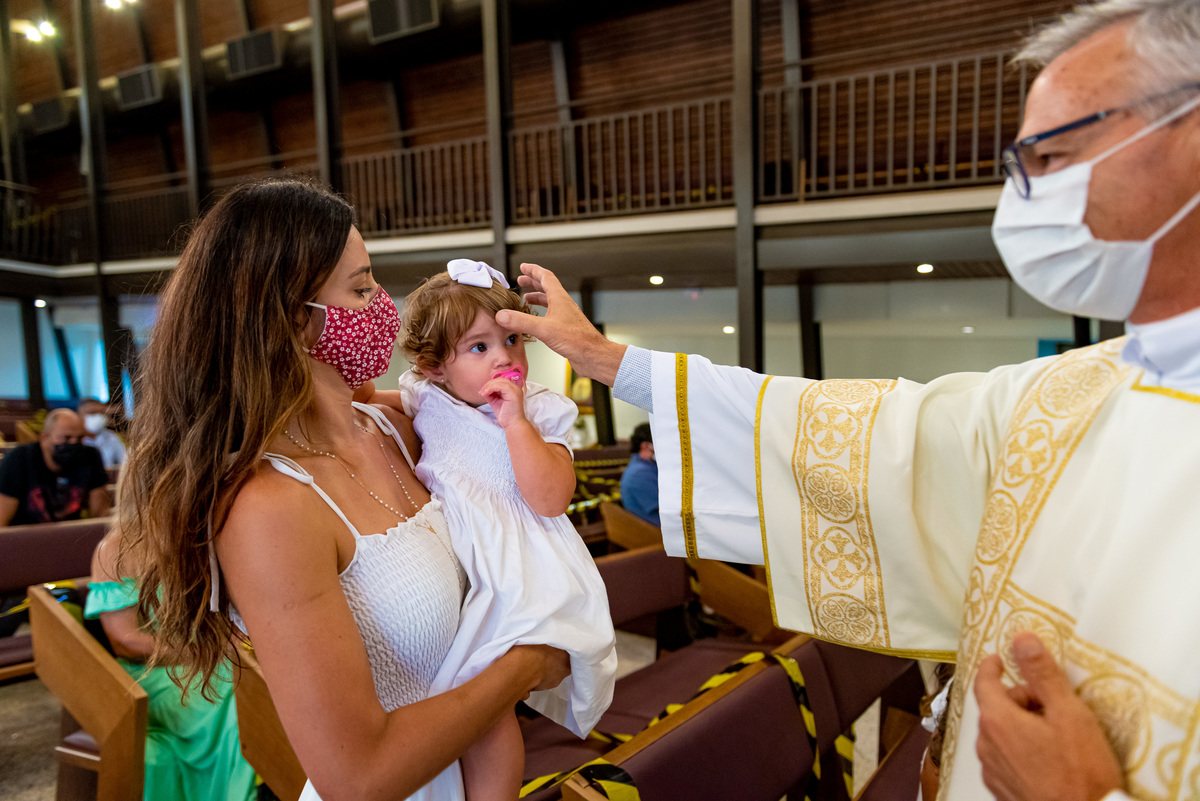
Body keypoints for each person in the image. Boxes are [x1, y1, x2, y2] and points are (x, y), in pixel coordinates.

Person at [495, 3, 1200, 798]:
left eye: (1053, 152)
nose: (1028, 191)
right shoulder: (1070, 392)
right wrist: (604, 358)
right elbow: (861, 441)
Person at [116, 178, 569, 801]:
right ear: (291, 320)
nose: (385, 305)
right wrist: (527, 664)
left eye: (376, 282)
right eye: (360, 289)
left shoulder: (405, 428)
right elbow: (356, 777)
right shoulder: (269, 505)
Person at [368, 260, 615, 800]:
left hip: (521, 566)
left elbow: (550, 498)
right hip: (463, 560)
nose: (505, 357)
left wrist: (517, 426)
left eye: (512, 340)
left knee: (481, 697)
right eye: (479, 348)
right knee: (461, 699)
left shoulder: (540, 412)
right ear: (434, 367)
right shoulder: (424, 396)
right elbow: (366, 405)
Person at [85, 527, 257, 801]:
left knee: (255, 679)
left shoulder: (196, 534)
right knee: (233, 694)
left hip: (207, 661)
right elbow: (125, 641)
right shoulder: (115, 548)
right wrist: (206, 651)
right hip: (149, 673)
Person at [0, 408, 110, 526]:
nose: (73, 443)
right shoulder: (19, 460)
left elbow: (100, 513)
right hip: (25, 539)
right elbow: (2, 520)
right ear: (45, 438)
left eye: (79, 438)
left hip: (72, 538)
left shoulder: (90, 456)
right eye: (66, 438)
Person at [619, 422, 659, 526]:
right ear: (646, 446)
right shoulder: (639, 472)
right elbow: (667, 504)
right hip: (652, 531)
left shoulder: (647, 465)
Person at [79, 397, 127, 471]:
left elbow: (125, 461)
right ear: (80, 414)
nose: (98, 416)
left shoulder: (111, 437)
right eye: (92, 412)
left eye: (101, 413)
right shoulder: (73, 439)